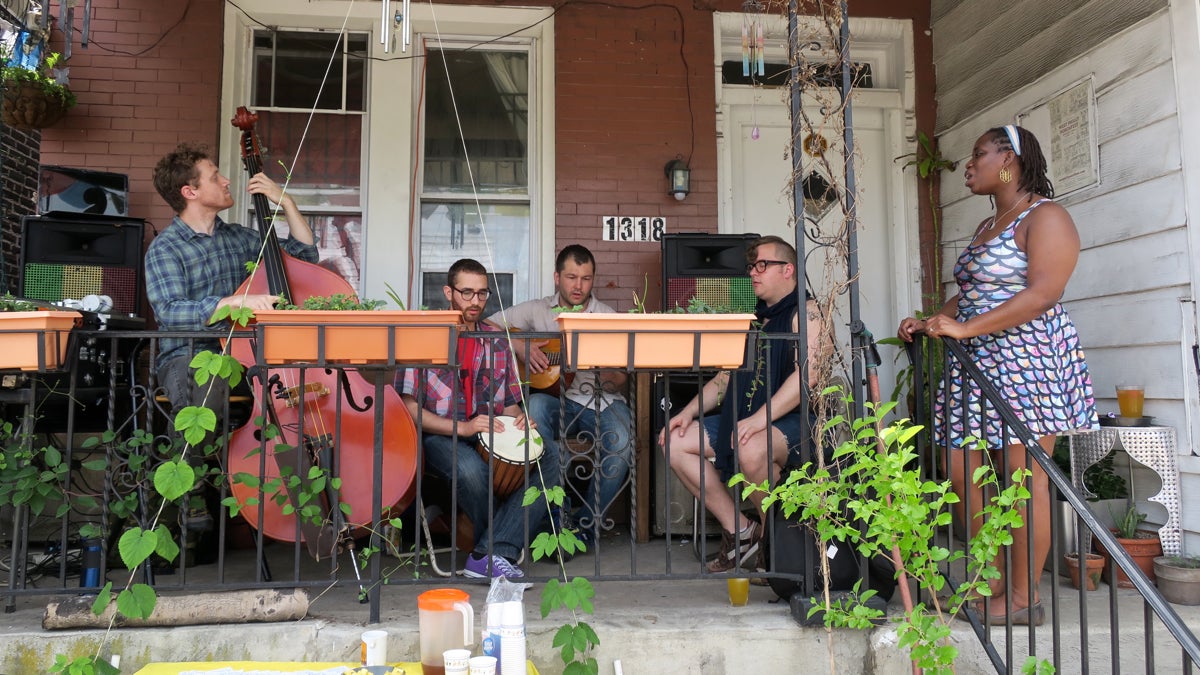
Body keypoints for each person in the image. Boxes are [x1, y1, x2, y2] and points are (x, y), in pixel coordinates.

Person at [897, 124, 1098, 626]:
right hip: (976, 362)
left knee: (1021, 478)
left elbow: (1042, 293)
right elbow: (971, 293)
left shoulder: (1045, 217)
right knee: (961, 468)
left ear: (1009, 159)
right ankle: (990, 582)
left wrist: (965, 329)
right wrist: (930, 322)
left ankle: (1023, 595)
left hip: (1026, 362)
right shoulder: (990, 225)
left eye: (978, 154)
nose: (968, 165)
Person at [145, 142, 318, 530]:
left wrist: (286, 202)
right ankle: (191, 492)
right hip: (191, 354)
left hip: (247, 356)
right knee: (204, 385)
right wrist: (236, 302)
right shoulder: (165, 249)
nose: (226, 181)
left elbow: (304, 258)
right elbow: (170, 310)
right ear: (190, 192)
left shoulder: (240, 239)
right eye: (215, 176)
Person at [658, 235, 828, 574]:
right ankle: (744, 532)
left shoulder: (807, 314)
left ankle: (781, 545)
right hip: (747, 418)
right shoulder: (753, 320)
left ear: (788, 269)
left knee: (751, 447)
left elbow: (808, 378)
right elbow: (724, 380)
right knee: (674, 441)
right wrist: (687, 412)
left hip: (794, 424)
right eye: (752, 266)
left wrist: (758, 421)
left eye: (762, 265)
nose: (753, 272)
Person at [396, 258, 559, 579]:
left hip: (490, 430)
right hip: (438, 434)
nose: (475, 302)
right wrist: (465, 427)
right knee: (471, 469)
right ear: (448, 292)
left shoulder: (496, 339)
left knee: (550, 454)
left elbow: (511, 405)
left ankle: (487, 553)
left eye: (482, 294)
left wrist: (522, 423)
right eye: (467, 293)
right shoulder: (424, 334)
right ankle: (499, 552)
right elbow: (410, 410)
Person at [487, 245, 632, 540]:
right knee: (535, 412)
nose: (578, 286)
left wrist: (604, 369)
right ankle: (552, 514)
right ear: (557, 277)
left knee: (623, 444)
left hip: (601, 402)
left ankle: (584, 528)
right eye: (571, 277)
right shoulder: (536, 310)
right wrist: (519, 346)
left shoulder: (607, 317)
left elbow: (622, 379)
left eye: (586, 278)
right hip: (555, 401)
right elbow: (486, 325)